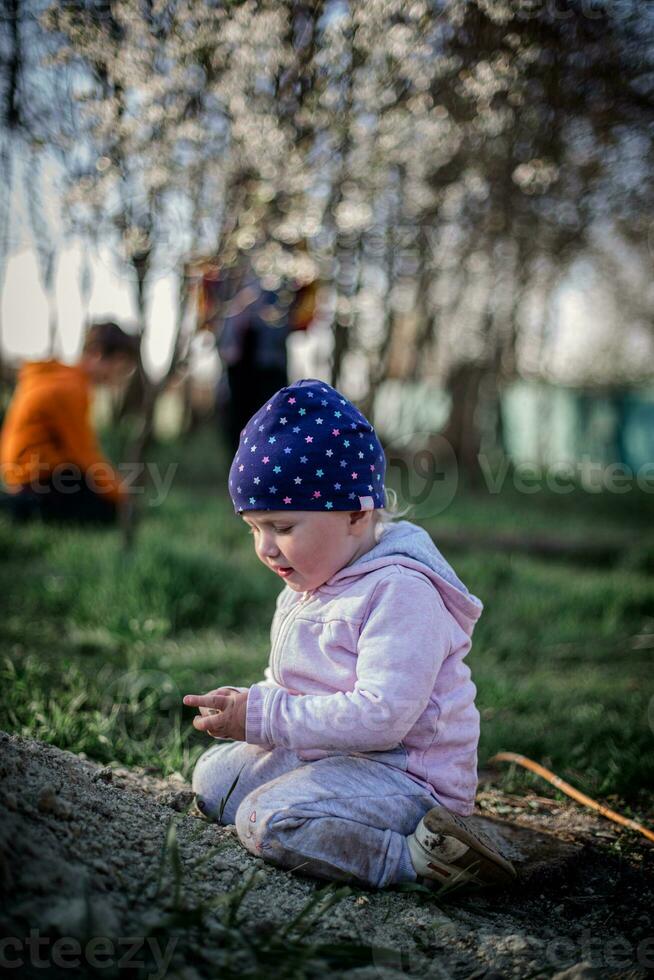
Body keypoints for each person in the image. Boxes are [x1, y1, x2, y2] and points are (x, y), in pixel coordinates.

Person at [184, 379, 516, 890]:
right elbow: (297, 692)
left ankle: (421, 858)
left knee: (264, 818)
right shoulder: (305, 584)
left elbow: (382, 718)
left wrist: (268, 716)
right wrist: (252, 706)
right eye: (253, 528)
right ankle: (325, 817)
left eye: (282, 527)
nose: (266, 548)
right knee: (215, 781)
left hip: (406, 780)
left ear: (357, 514)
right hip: (334, 757)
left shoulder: (401, 592)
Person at [0, 321, 139, 525]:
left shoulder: (62, 378)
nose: (119, 375)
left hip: (27, 475)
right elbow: (84, 455)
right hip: (35, 479)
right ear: (98, 353)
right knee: (106, 510)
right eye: (120, 366)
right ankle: (17, 506)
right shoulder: (70, 390)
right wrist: (123, 495)